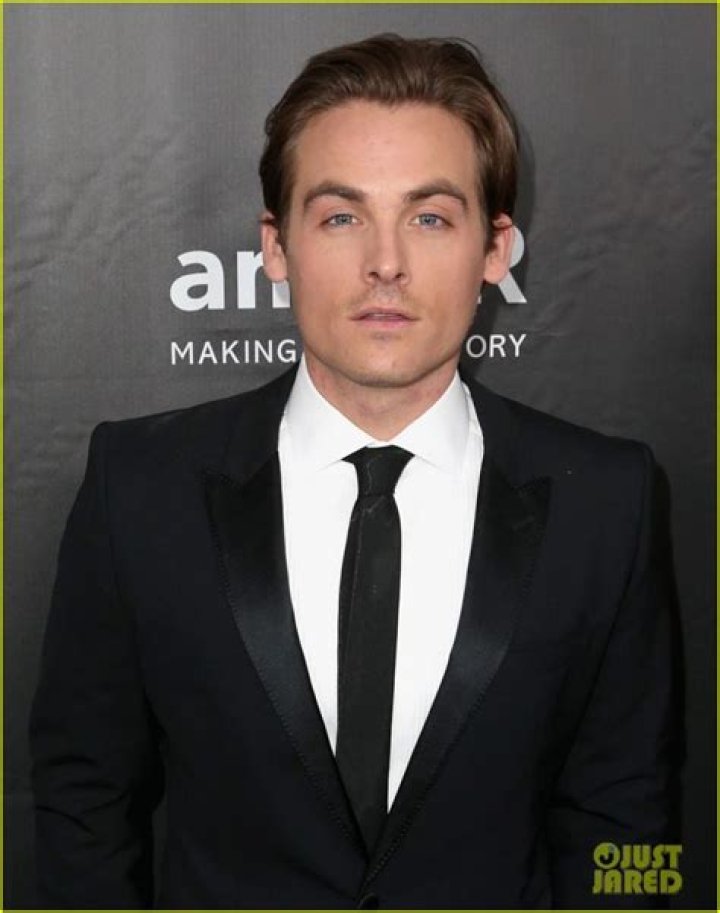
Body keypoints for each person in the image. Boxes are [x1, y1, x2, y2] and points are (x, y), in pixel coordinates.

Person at [30, 34, 681, 910]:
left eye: (429, 217)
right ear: (276, 246)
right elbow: (82, 803)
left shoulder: (607, 500)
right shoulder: (140, 487)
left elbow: (630, 821)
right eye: (341, 216)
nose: (386, 261)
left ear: (496, 249)